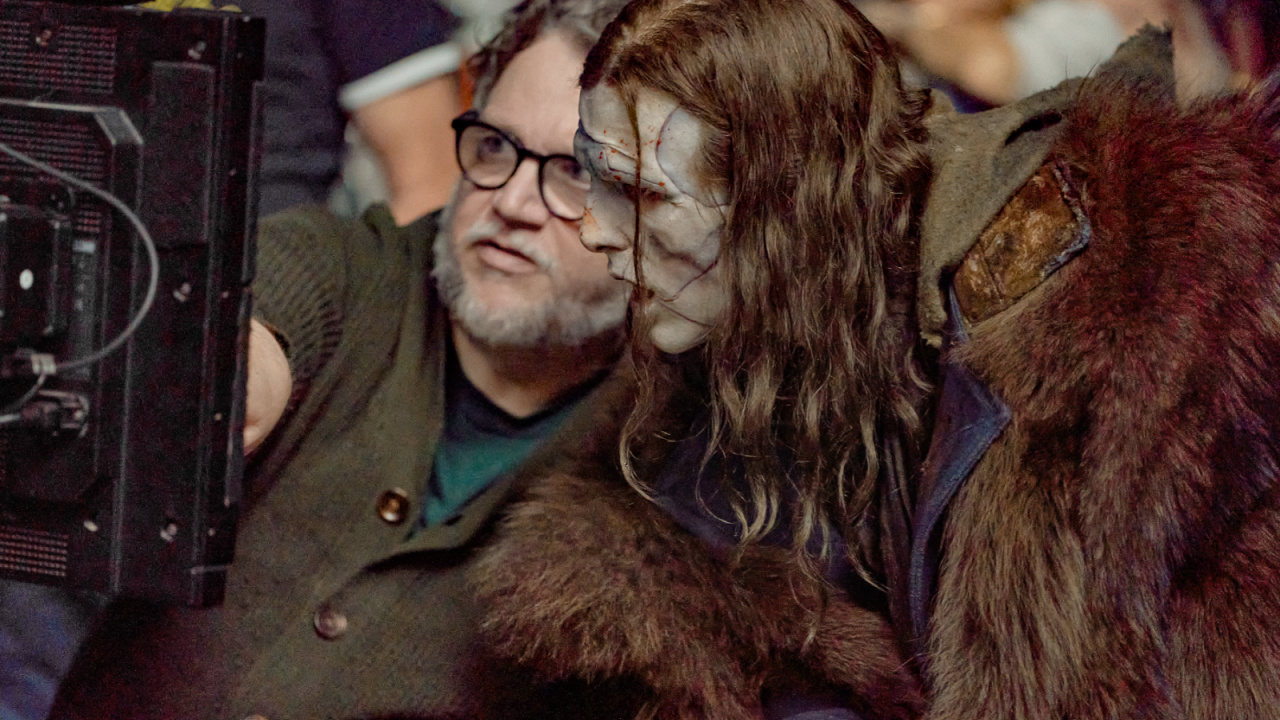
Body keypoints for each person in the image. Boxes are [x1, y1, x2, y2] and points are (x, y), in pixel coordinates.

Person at [473, 0, 1280, 718]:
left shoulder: (1110, 345)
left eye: (644, 193)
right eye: (593, 177)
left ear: (783, 205)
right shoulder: (764, 342)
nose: (593, 229)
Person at [45, 0, 631, 718]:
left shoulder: (669, 452)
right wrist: (208, 385)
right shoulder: (352, 269)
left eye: (574, 172)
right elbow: (262, 316)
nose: (511, 201)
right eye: (493, 148)